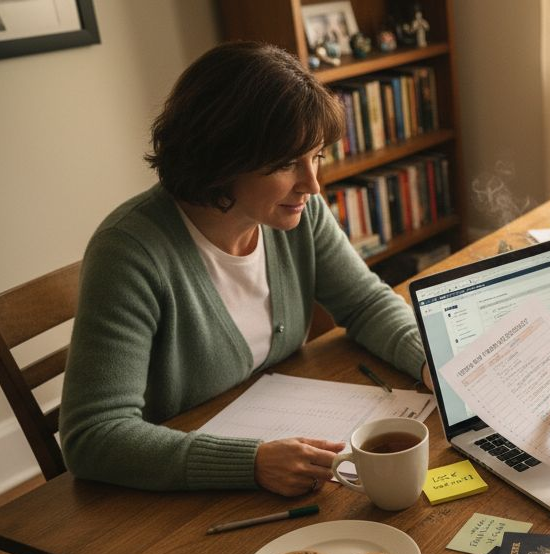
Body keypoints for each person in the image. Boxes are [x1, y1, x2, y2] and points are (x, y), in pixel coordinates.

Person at [61, 41, 428, 499]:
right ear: (221, 157)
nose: (312, 185)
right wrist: (250, 463)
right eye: (286, 163)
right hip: (171, 502)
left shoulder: (297, 213)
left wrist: (432, 364)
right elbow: (93, 435)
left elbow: (366, 303)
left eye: (316, 156)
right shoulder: (129, 253)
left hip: (281, 448)